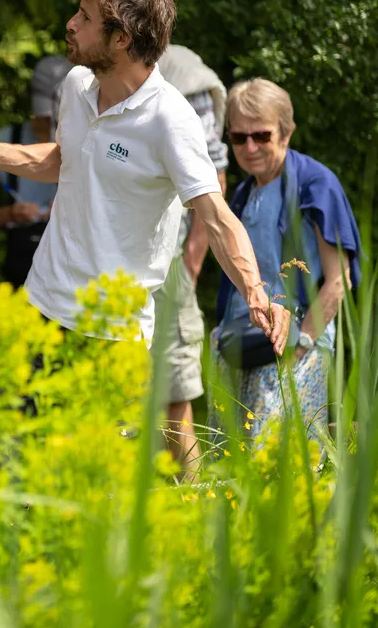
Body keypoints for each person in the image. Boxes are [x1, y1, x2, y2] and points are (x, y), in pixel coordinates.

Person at [0, 0, 290, 357]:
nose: (71, 23)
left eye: (86, 17)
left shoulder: (170, 120)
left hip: (111, 330)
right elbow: (65, 159)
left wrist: (254, 290)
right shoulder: (76, 84)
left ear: (121, 38)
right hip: (40, 302)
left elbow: (216, 218)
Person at [213, 78, 359, 440]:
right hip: (239, 343)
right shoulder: (245, 192)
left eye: (261, 135)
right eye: (238, 137)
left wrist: (302, 343)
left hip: (297, 348)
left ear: (286, 133)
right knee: (225, 459)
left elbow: (339, 280)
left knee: (279, 464)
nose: (249, 147)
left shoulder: (317, 184)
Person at [151, 44, 231, 474]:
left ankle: (193, 508)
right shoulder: (84, 75)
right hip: (100, 267)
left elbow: (213, 177)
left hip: (167, 265)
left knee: (173, 402)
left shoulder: (180, 69)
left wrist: (191, 261)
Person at [0, 56, 72, 287]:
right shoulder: (5, 142)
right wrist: (11, 214)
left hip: (71, 275)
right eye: (46, 116)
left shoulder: (87, 143)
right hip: (21, 273)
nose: (52, 122)